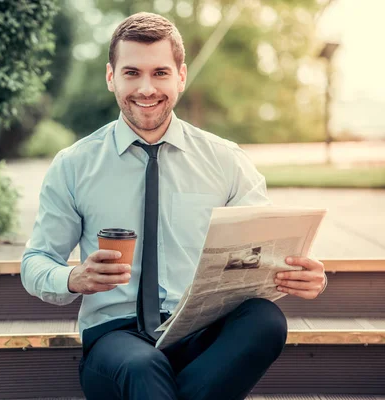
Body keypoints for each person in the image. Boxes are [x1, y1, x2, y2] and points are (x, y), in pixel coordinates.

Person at [21, 12, 327, 400]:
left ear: (181, 76)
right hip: (117, 339)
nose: (146, 88)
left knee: (265, 321)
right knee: (142, 367)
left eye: (160, 73)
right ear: (110, 76)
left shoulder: (225, 160)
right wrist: (72, 278)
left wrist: (306, 275)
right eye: (132, 72)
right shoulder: (74, 165)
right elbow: (35, 262)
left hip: (203, 333)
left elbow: (266, 255)